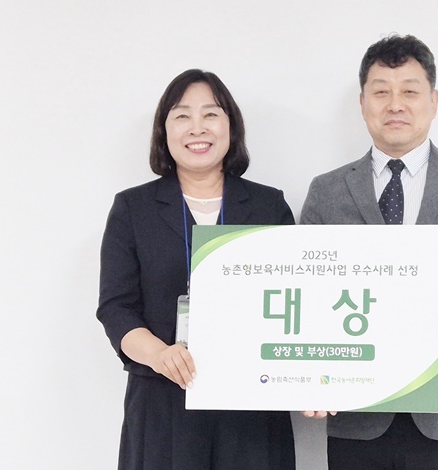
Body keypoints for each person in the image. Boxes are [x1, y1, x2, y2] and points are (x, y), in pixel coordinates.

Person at [300, 35, 438, 469]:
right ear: (362, 103)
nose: (395, 105)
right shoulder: (327, 191)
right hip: (357, 415)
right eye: (381, 92)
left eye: (409, 91)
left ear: (434, 101)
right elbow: (305, 291)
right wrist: (309, 376)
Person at [97, 69, 296, 470]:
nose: (197, 128)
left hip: (251, 405)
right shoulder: (133, 208)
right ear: (164, 130)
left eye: (211, 114)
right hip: (164, 402)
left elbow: (298, 302)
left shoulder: (268, 206)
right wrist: (160, 355)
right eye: (182, 115)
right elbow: (116, 308)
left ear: (231, 126)